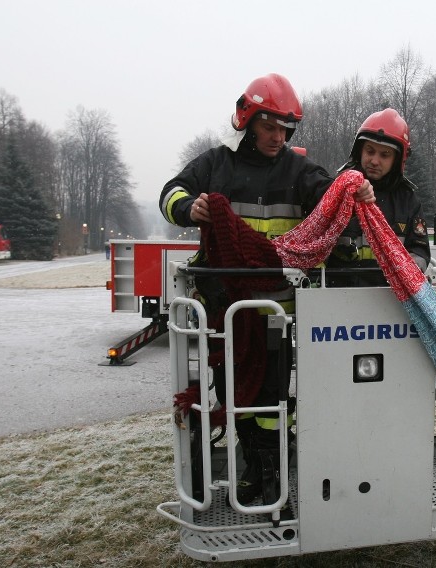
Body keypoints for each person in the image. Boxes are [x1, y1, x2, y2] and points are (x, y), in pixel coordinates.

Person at [159, 73, 375, 508]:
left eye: (285, 129)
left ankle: (270, 475)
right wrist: (189, 207)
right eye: (270, 127)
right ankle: (254, 474)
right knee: (235, 396)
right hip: (226, 316)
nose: (279, 137)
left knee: (276, 401)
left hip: (278, 316)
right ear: (248, 120)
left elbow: (330, 196)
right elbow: (170, 193)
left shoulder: (301, 171)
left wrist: (355, 189)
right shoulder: (216, 164)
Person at [325, 108, 430, 286]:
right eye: (370, 151)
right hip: (339, 297)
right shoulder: (339, 189)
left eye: (384, 155)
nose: (374, 160)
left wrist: (409, 268)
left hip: (388, 299)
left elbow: (419, 251)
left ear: (397, 159)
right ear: (360, 151)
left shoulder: (408, 201)